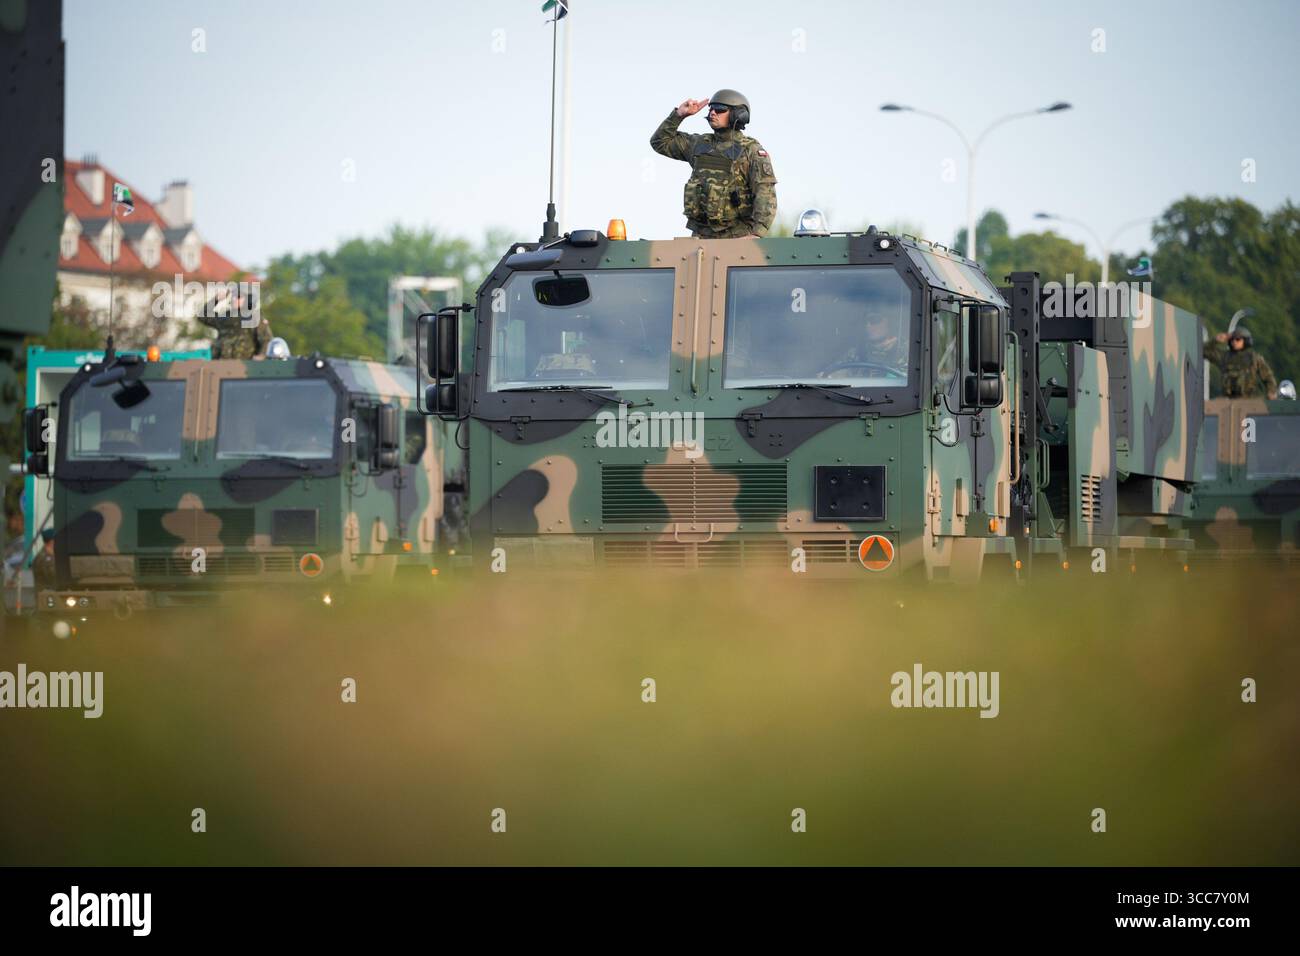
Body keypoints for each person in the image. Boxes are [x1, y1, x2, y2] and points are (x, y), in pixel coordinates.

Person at [650, 89, 777, 239]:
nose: (712, 113)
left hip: (738, 238)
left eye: (720, 109)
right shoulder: (698, 144)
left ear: (738, 114)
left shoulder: (751, 150)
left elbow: (765, 193)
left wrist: (757, 234)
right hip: (700, 237)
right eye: (711, 108)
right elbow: (659, 142)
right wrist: (679, 115)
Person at [198, 286, 274, 359]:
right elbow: (203, 315)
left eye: (238, 297)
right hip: (220, 366)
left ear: (249, 299)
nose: (234, 299)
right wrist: (216, 299)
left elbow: (266, 340)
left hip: (245, 366)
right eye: (233, 296)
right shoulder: (226, 317)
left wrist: (261, 356)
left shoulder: (254, 318)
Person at [1204, 327, 1278, 399]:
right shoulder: (1224, 357)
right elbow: (1203, 351)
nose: (1234, 342)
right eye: (1232, 339)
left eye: (1238, 339)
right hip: (1228, 400)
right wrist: (1215, 340)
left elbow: (1268, 377)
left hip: (1249, 400)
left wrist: (1271, 392)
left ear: (1245, 340)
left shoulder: (1254, 358)